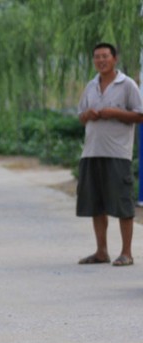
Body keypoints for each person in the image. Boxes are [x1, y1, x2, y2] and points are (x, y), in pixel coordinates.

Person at [76, 42, 143, 267]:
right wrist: (88, 114)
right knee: (96, 203)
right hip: (91, 151)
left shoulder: (127, 85)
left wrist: (114, 112)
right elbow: (80, 116)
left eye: (105, 56)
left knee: (123, 203)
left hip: (117, 154)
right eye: (97, 57)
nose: (101, 60)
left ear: (114, 58)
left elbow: (140, 115)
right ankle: (101, 251)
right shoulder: (91, 85)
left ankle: (127, 253)